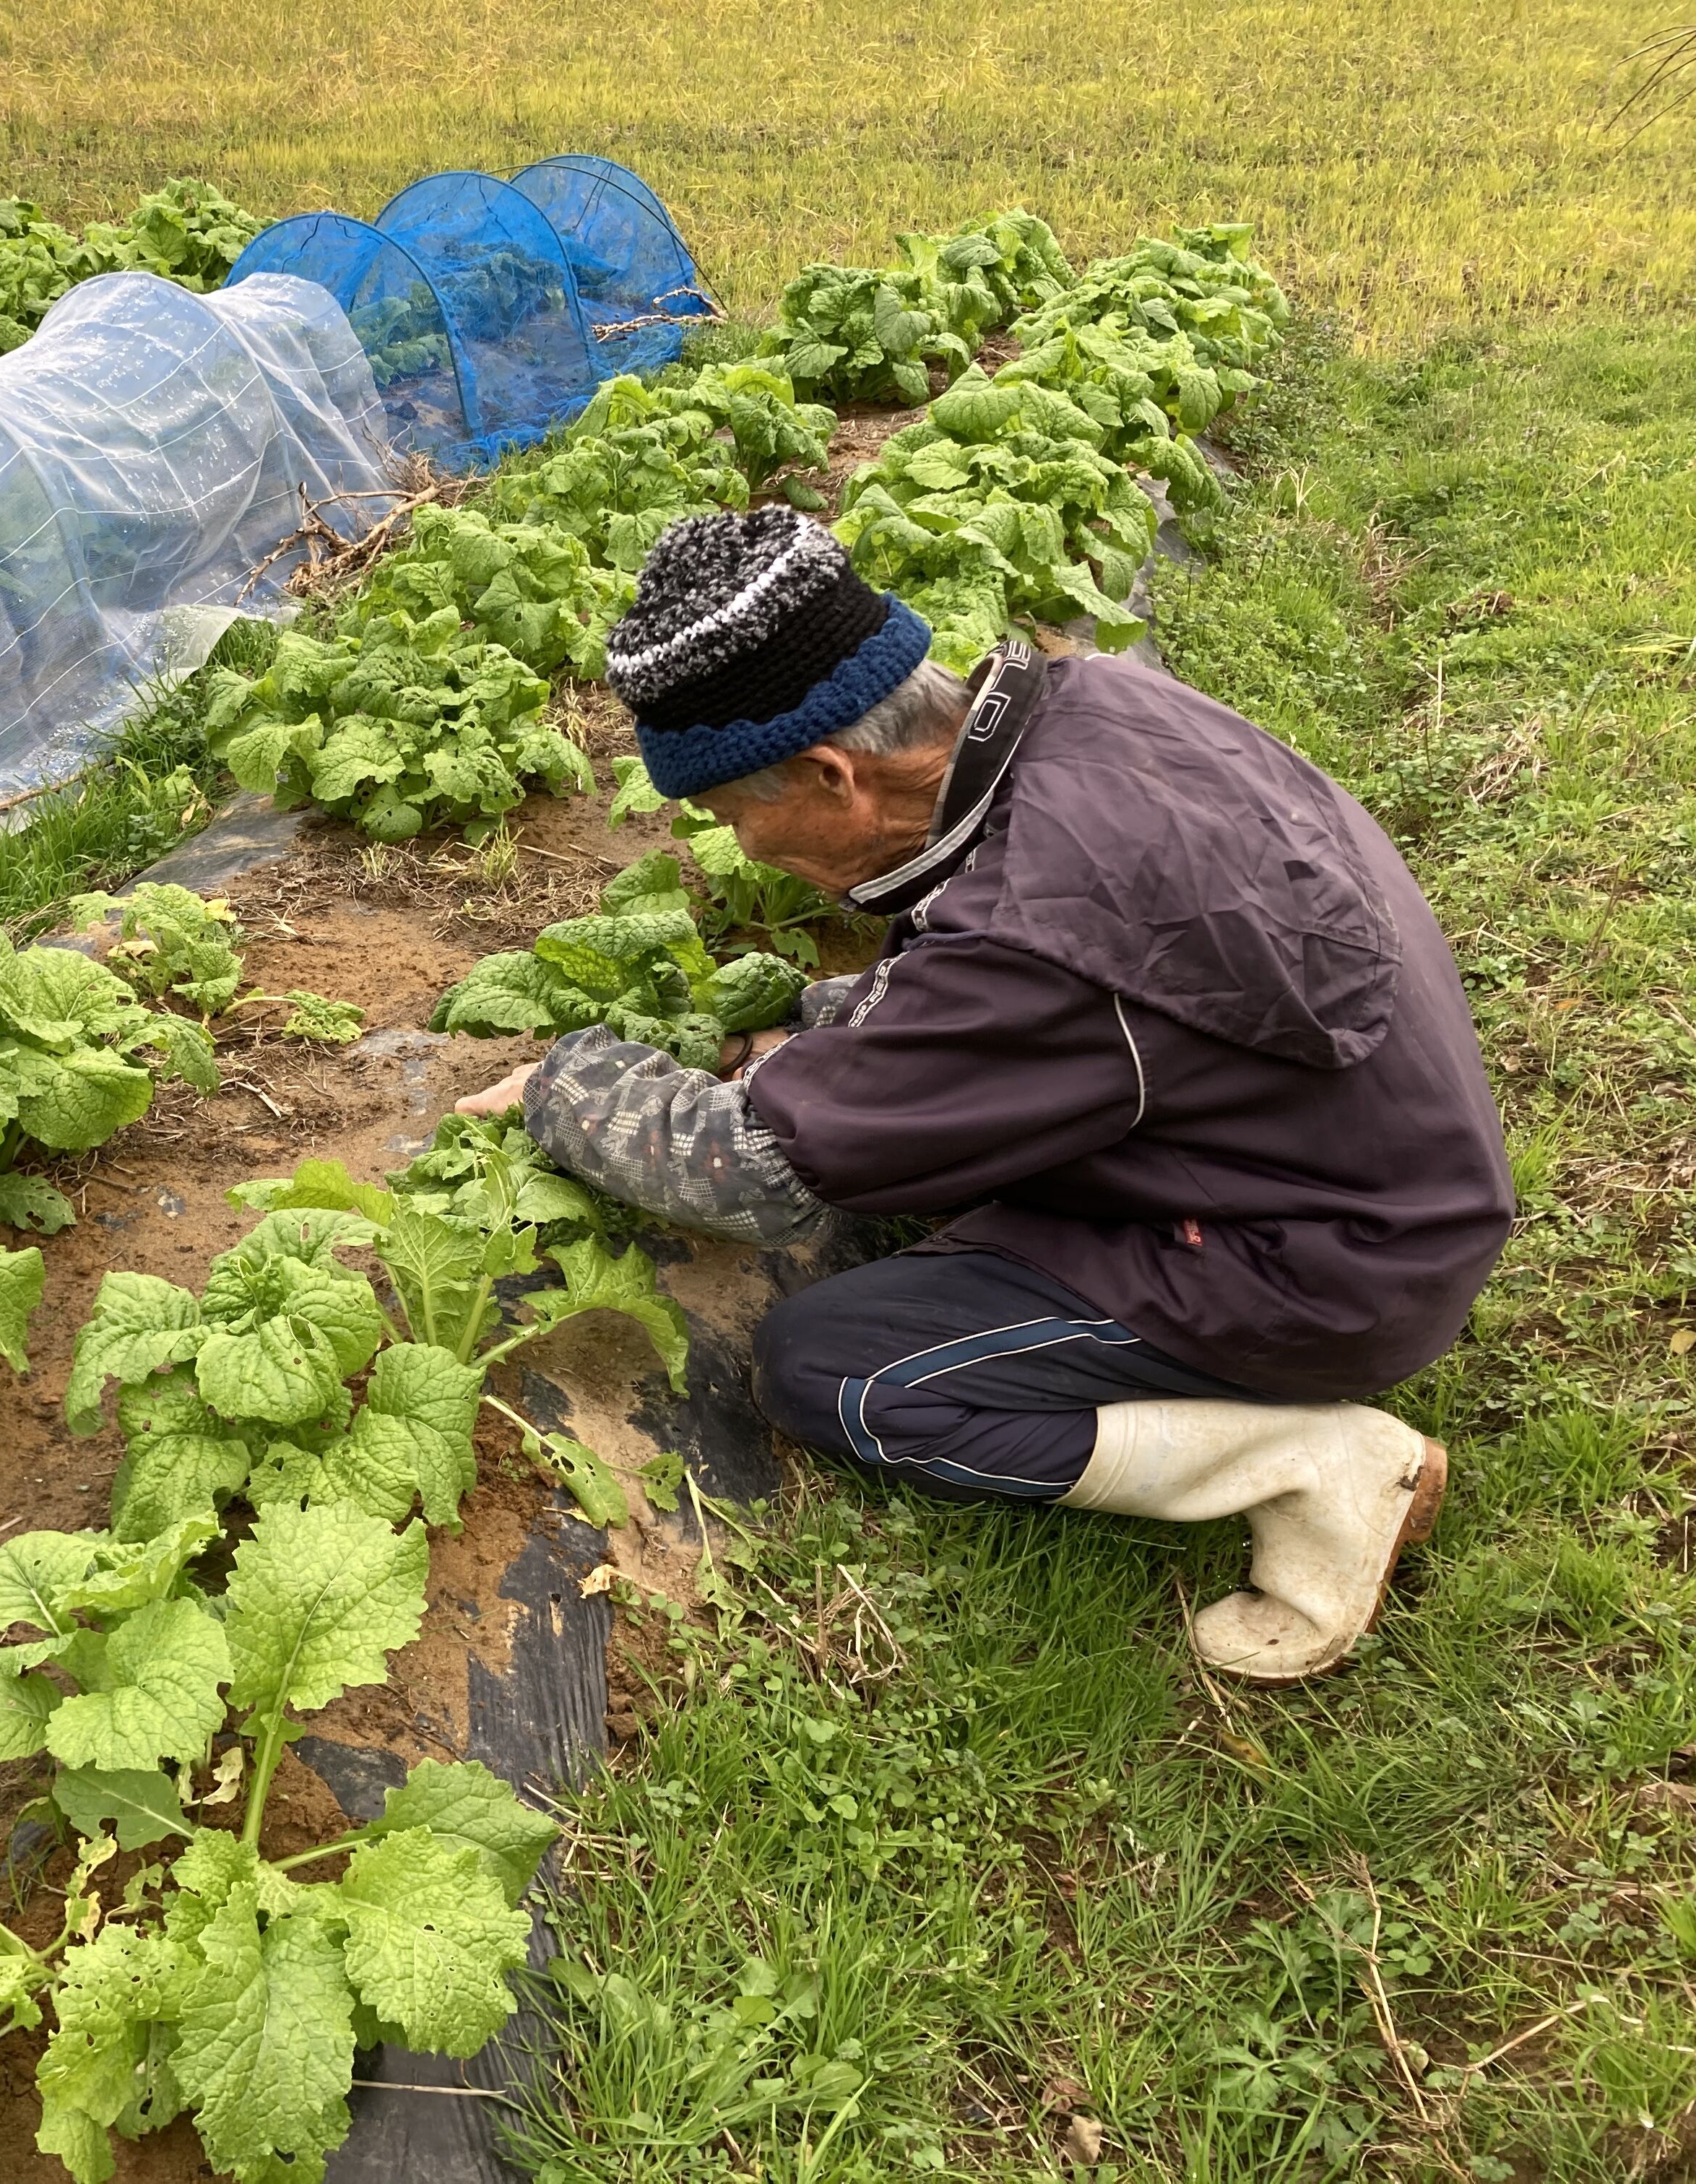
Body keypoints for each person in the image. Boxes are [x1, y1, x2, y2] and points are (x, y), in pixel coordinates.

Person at [455, 506, 1513, 1684]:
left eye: (733, 816)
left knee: (834, 1369)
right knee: (914, 1198)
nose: (744, 852)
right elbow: (956, 1002)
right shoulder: (1096, 706)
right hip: (1374, 1168)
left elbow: (753, 1167)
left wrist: (570, 1084)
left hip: (1327, 1269)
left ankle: (1309, 1462)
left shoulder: (1040, 934)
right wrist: (803, 1034)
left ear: (831, 774)